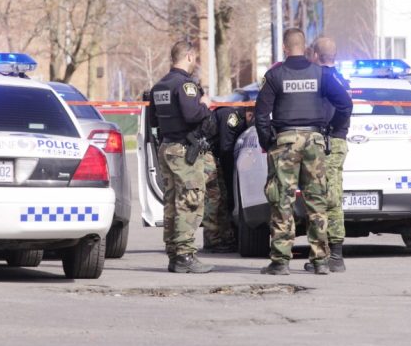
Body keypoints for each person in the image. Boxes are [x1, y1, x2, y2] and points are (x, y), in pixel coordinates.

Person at [255, 28, 352, 275]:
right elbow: (345, 104)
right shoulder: (320, 73)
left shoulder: (274, 75)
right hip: (315, 141)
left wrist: (268, 142)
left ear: (285, 48)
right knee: (317, 200)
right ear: (304, 46)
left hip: (285, 140)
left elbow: (261, 115)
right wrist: (330, 129)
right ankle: (320, 260)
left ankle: (280, 262)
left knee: (282, 201)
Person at [151, 40, 215, 273]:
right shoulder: (185, 84)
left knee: (171, 203)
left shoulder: (159, 86)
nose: (195, 62)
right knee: (189, 201)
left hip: (167, 147)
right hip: (183, 150)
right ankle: (185, 256)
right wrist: (205, 105)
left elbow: (153, 121)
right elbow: (192, 114)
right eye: (195, 58)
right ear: (188, 57)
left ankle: (174, 254)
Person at [304, 36, 351, 273]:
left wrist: (330, 128)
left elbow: (344, 107)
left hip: (326, 142)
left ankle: (329, 255)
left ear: (314, 55)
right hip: (338, 141)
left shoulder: (320, 79)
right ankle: (331, 254)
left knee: (323, 198)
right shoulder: (342, 78)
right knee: (332, 197)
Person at [201, 105, 251, 253]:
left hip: (213, 156)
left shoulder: (238, 117)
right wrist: (230, 179)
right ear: (250, 114)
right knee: (214, 196)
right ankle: (212, 240)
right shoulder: (232, 118)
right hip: (205, 153)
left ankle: (224, 238)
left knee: (222, 197)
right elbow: (226, 149)